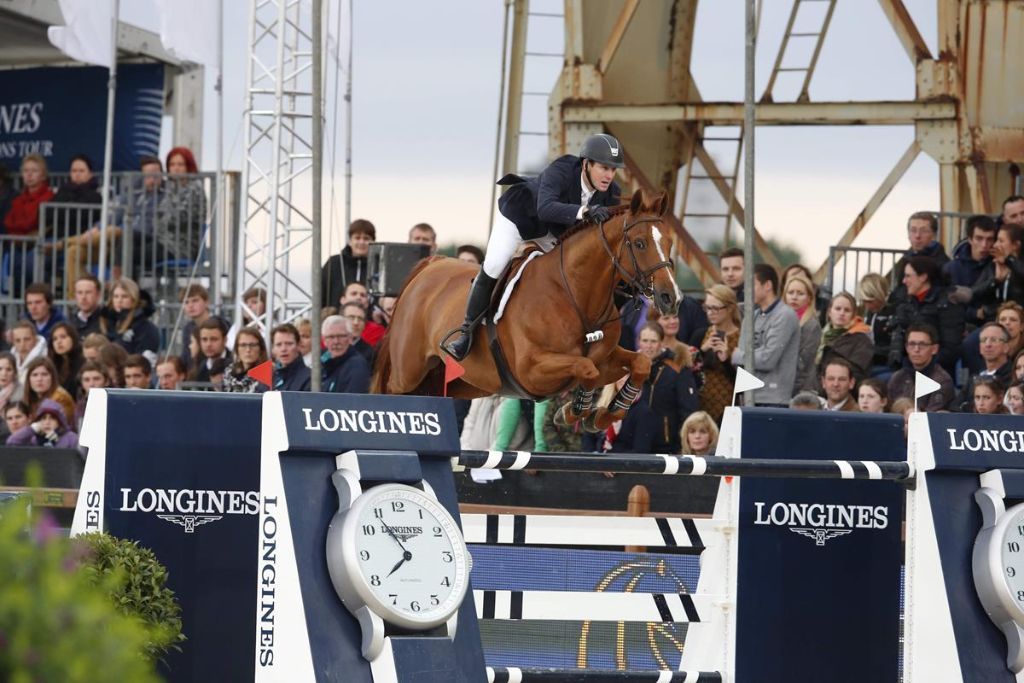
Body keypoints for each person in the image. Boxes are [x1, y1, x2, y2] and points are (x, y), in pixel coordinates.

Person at [444, 133, 624, 360]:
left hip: (555, 234)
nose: (609, 175)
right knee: (494, 265)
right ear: (586, 164)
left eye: (613, 170)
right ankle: (466, 332)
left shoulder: (612, 193)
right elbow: (546, 208)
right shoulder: (562, 170)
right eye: (604, 168)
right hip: (520, 220)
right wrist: (584, 212)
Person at [613, 322, 698, 454]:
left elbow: (688, 410)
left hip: (665, 444)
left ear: (661, 343)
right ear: (638, 342)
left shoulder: (676, 369)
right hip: (634, 443)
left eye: (653, 341)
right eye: (645, 341)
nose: (648, 346)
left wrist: (682, 444)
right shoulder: (630, 367)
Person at [732, 264, 799, 407]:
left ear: (767, 285)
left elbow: (768, 359)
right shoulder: (751, 317)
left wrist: (739, 355)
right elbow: (741, 360)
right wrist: (742, 356)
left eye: (751, 284)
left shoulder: (785, 315)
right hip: (749, 397)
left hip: (774, 400)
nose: (746, 290)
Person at [888, 256, 965, 373]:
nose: (904, 281)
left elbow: (951, 348)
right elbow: (899, 336)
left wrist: (922, 365)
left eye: (908, 276)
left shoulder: (947, 304)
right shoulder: (906, 303)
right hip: (908, 367)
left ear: (923, 277)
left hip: (936, 371)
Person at [888, 323, 956, 412]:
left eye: (922, 344)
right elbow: (888, 411)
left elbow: (931, 418)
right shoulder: (897, 377)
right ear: (906, 347)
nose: (916, 349)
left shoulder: (941, 381)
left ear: (934, 349)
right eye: (912, 344)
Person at [697, 284, 740, 423]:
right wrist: (702, 351)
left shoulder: (742, 337)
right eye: (707, 308)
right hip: (701, 405)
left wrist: (726, 360)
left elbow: (743, 380)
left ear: (730, 308)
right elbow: (689, 370)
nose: (710, 312)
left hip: (729, 408)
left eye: (715, 308)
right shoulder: (702, 333)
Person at [157, 146, 207, 263]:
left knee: (133, 252)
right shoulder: (170, 187)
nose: (176, 168)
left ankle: (120, 281)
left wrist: (160, 218)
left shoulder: (195, 188)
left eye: (180, 165)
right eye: (172, 164)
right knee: (129, 243)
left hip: (181, 246)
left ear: (188, 166)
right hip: (162, 241)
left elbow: (178, 217)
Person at [890, 211, 950, 301]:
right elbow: (899, 289)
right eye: (913, 230)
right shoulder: (906, 259)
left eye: (924, 231)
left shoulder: (943, 264)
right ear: (908, 234)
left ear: (934, 235)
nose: (917, 236)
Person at [99, 278, 160, 367]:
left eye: (124, 296)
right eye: (116, 296)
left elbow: (145, 359)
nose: (119, 300)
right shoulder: (106, 321)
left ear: (134, 299)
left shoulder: (144, 326)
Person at [816, 292, 873, 383]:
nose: (842, 313)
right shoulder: (820, 335)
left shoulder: (862, 340)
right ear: (829, 312)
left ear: (853, 315)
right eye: (838, 309)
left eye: (847, 310)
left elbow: (857, 374)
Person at [958, 321, 1013, 412]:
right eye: (984, 340)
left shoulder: (1013, 376)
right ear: (980, 347)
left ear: (1006, 347)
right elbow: (955, 406)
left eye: (994, 340)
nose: (988, 345)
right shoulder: (974, 377)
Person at [321, 218, 375, 308]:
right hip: (337, 319)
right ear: (350, 241)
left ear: (373, 242)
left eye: (366, 239)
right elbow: (321, 293)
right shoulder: (334, 263)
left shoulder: (379, 266)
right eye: (357, 238)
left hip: (370, 320)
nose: (361, 242)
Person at [783, 272, 821, 393]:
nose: (794, 297)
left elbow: (804, 363)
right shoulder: (777, 320)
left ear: (809, 298)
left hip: (801, 388)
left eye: (800, 294)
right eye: (790, 293)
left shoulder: (811, 325)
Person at [49, 153, 102, 231]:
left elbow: (82, 216)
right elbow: (49, 214)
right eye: (74, 171)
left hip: (82, 239)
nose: (77, 174)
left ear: (90, 174)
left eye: (81, 171)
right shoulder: (62, 191)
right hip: (56, 237)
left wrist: (63, 210)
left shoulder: (95, 196)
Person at [4, 154, 54, 236]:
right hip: (13, 243)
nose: (29, 174)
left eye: (34, 171)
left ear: (43, 175)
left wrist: (16, 230)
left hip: (35, 245)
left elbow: (31, 224)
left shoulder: (49, 197)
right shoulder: (17, 199)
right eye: (26, 170)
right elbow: (8, 223)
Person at [320, 315, 371, 394]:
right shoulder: (322, 363)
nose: (336, 341)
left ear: (350, 338)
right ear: (324, 340)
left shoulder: (357, 366)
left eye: (341, 336)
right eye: (330, 337)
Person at [857, 273, 895, 377]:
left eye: (869, 301)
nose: (867, 305)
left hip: (887, 365)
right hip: (869, 363)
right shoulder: (870, 312)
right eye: (864, 301)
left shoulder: (895, 311)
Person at [944, 215, 996, 290]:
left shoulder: (998, 266)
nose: (984, 245)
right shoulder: (951, 269)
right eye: (979, 239)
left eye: (989, 239)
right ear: (970, 239)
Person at [6, 398, 79, 449]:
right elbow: (11, 443)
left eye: (52, 418)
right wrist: (31, 429)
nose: (47, 422)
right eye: (43, 418)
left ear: (59, 421)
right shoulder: (34, 439)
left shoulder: (71, 438)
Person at [22, 357, 76, 426]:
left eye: (44, 374)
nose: (39, 379)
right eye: (35, 375)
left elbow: (51, 427)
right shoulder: (30, 399)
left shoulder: (61, 398)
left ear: (52, 377)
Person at [223, 327, 268, 393]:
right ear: (237, 348)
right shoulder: (229, 373)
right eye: (243, 345)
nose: (248, 350)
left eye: (252, 345)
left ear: (260, 348)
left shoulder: (268, 373)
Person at [179, 284, 213, 367]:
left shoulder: (219, 325)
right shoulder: (188, 328)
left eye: (195, 301)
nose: (190, 306)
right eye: (186, 302)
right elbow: (186, 356)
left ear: (206, 302)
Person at [48, 322, 84, 399]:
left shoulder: (82, 363)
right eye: (55, 339)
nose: (59, 342)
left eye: (63, 337)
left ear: (73, 338)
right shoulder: (51, 365)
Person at [190, 317, 232, 382]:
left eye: (214, 339)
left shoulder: (235, 364)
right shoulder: (199, 367)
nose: (208, 344)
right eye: (204, 339)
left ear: (225, 340)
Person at [271, 323, 310, 391]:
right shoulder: (268, 379)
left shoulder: (309, 378)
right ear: (273, 349)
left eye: (289, 344)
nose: (283, 349)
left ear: (298, 345)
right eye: (279, 344)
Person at [75, 361, 108, 430]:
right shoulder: (79, 407)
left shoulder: (114, 404)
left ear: (106, 381)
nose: (91, 384)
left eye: (96, 379)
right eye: (86, 380)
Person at [0, 352, 23, 432]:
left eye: (9, 369)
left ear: (15, 373)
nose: (4, 374)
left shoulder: (20, 393)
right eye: (0, 369)